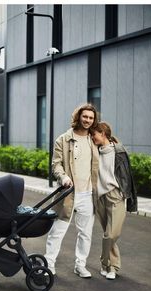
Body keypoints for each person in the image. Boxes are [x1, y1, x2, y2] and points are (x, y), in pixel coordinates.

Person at [44, 103, 99, 277]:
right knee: (57, 232)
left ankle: (80, 265)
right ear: (78, 117)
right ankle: (49, 264)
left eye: (91, 118)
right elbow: (56, 164)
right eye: (85, 117)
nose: (88, 120)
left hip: (88, 194)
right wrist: (63, 177)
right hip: (68, 194)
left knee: (85, 234)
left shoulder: (93, 140)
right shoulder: (63, 139)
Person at [90, 122, 137, 280]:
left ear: (102, 133)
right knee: (107, 233)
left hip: (116, 194)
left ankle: (106, 262)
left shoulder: (119, 151)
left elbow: (127, 175)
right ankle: (109, 267)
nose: (92, 137)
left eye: (94, 134)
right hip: (100, 197)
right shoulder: (95, 151)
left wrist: (127, 195)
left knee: (111, 234)